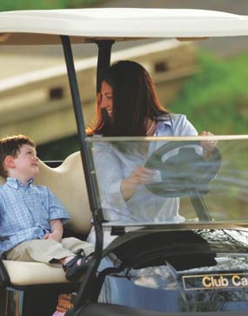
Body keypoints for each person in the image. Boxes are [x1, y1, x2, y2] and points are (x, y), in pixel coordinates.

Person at [87, 60, 218, 228]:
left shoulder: (178, 126)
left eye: (110, 97)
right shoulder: (104, 140)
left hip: (167, 226)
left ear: (130, 97)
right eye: (102, 97)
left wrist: (207, 152)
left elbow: (197, 178)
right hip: (122, 229)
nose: (103, 105)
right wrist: (133, 181)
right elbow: (109, 195)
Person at [0, 134, 94, 281]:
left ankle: (100, 258)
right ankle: (71, 262)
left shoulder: (43, 192)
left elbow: (55, 220)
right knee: (36, 247)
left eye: (36, 155)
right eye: (30, 153)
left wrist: (56, 235)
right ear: (10, 161)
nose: (36, 159)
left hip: (47, 241)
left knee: (71, 241)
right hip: (19, 248)